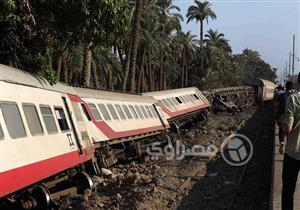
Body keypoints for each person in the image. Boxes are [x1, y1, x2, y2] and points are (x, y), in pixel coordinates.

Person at [281, 74, 300, 210]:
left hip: (293, 153)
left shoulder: (293, 99)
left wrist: (282, 123)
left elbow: (287, 129)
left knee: (288, 190)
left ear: (298, 82)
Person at [277, 81, 294, 154]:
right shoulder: (294, 96)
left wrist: (276, 115)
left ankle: (282, 142)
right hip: (291, 117)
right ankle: (288, 145)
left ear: (286, 87)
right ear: (292, 87)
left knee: (281, 131)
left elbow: (277, 105)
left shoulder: (281, 95)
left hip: (282, 116)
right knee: (290, 131)